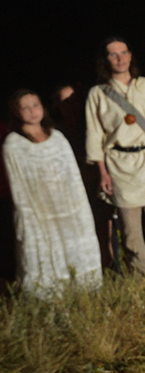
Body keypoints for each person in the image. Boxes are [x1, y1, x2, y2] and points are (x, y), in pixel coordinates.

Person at [85, 38, 145, 274]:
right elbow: (95, 133)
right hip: (120, 164)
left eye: (124, 52)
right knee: (131, 231)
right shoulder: (98, 93)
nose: (120, 58)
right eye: (113, 54)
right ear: (105, 60)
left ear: (130, 56)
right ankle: (141, 280)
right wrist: (102, 172)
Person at [3, 90, 102, 297]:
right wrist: (28, 215)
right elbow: (18, 185)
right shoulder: (14, 144)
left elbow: (73, 176)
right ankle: (47, 298)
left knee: (75, 249)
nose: (32, 111)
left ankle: (82, 292)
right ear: (16, 111)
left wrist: (80, 208)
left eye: (36, 105)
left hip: (67, 207)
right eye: (25, 107)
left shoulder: (58, 138)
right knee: (46, 253)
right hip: (38, 210)